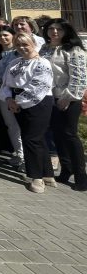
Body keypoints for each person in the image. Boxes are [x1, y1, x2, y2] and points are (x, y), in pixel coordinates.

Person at [0, 33, 55, 193]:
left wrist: (18, 101)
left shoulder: (42, 63)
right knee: (36, 138)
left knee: (31, 138)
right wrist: (9, 99)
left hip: (38, 102)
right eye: (18, 45)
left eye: (25, 44)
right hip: (17, 102)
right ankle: (47, 174)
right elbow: (6, 83)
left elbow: (39, 86)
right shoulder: (15, 63)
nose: (22, 48)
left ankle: (36, 177)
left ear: (34, 44)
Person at [39, 19, 87, 190]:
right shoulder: (44, 49)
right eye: (51, 29)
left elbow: (79, 77)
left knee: (69, 134)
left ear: (66, 31)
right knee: (57, 135)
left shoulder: (74, 50)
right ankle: (66, 169)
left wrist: (68, 97)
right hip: (48, 97)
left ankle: (81, 175)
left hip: (68, 98)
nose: (54, 32)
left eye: (59, 29)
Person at [0, 25, 24, 167]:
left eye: (6, 35)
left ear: (13, 36)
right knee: (11, 124)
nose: (2, 38)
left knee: (22, 124)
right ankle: (19, 154)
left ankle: (27, 157)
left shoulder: (19, 52)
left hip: (18, 90)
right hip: (2, 90)